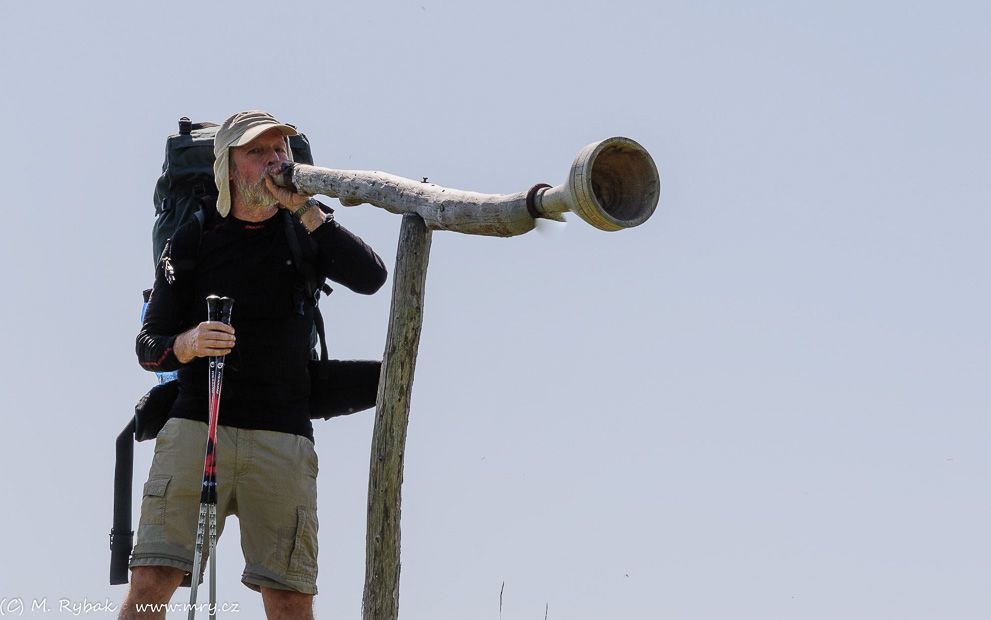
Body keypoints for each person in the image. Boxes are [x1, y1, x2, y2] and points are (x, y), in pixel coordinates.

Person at [121, 111, 388, 619]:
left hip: (283, 434)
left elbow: (372, 278)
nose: (274, 161)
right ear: (227, 166)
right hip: (198, 423)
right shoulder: (194, 238)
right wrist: (190, 342)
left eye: (280, 150)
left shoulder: (306, 229)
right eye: (258, 152)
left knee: (289, 599)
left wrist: (307, 211)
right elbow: (148, 344)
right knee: (153, 581)